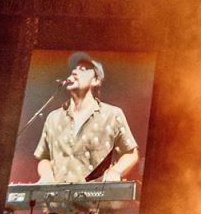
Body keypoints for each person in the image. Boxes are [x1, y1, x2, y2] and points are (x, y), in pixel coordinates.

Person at [34, 52, 140, 183]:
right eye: (74, 69)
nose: (74, 71)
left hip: (95, 201)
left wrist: (115, 172)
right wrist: (46, 174)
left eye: (83, 69)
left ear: (96, 80)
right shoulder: (53, 118)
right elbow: (44, 157)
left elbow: (131, 153)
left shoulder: (112, 114)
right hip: (56, 202)